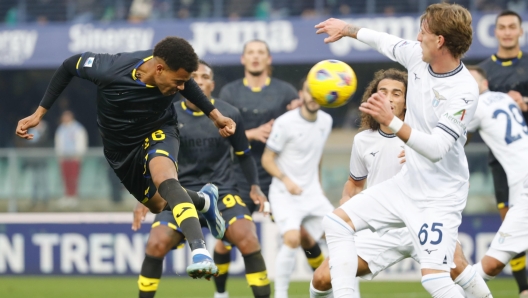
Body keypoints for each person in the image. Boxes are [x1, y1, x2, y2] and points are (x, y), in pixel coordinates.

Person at [15, 36, 236, 279]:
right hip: (120, 148)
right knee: (158, 203)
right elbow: (70, 65)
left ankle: (200, 252)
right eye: (179, 82)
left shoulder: (175, 74)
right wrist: (39, 113)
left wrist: (216, 117)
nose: (182, 88)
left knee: (165, 179)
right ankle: (204, 201)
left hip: (159, 129)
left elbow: (188, 84)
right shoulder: (110, 68)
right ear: (159, 69)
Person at [315, 3, 478, 297]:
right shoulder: (417, 57)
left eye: (423, 31)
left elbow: (437, 148)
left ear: (439, 40)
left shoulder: (464, 90)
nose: (417, 37)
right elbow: (382, 40)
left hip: (439, 197)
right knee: (336, 222)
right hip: (406, 185)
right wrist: (347, 30)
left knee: (437, 280)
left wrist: (390, 121)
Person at [132, 60, 270, 298]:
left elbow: (244, 155)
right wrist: (143, 196)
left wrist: (255, 187)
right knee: (155, 244)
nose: (199, 81)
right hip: (179, 194)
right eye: (193, 76)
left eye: (205, 77)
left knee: (249, 239)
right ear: (183, 83)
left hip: (223, 193)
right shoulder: (167, 114)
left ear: (212, 85)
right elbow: (151, 158)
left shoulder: (229, 113)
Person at [217, 39, 325, 290]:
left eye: (261, 52)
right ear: (243, 59)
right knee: (226, 238)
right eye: (251, 53)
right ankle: (220, 293)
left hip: (276, 176)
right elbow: (219, 135)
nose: (255, 57)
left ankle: (323, 284)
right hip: (240, 176)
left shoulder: (285, 91)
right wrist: (251, 134)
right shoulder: (229, 93)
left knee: (304, 235)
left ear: (269, 59)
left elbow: (301, 129)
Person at [261, 77, 334, 298]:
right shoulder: (285, 122)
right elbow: (267, 159)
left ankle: (336, 292)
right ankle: (281, 294)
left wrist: (318, 187)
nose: (312, 97)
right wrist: (287, 180)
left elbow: (317, 155)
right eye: (309, 92)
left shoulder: (326, 121)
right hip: (285, 193)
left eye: (317, 93)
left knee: (342, 234)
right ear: (301, 94)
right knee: (292, 239)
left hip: (312, 194)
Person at [466, 66, 528, 298]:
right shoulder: (503, 98)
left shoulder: (476, 107)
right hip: (520, 180)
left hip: (523, 182)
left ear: (484, 85)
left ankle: (447, 289)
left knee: (492, 263)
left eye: (473, 82)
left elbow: (454, 140)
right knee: (494, 262)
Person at [478, 11, 528, 295]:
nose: (507, 32)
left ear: (520, 31)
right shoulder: (483, 72)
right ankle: (523, 289)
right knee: (510, 223)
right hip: (500, 162)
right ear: (495, 32)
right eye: (502, 28)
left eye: (512, 27)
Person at [55, 110, 88, 207]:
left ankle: (74, 197)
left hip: (74, 157)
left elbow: (82, 142)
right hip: (64, 157)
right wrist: (59, 155)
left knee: (73, 177)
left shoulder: (78, 128)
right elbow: (58, 143)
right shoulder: (61, 129)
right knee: (65, 177)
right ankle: (67, 196)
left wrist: (79, 155)